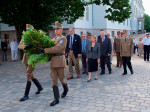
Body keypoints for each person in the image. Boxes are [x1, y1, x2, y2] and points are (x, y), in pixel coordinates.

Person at [39, 22, 68, 106]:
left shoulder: (63, 39)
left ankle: (66, 89)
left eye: (58, 29)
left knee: (62, 79)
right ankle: (56, 99)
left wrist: (45, 50)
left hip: (60, 61)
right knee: (54, 80)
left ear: (61, 30)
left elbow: (57, 49)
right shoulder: (53, 39)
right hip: (53, 62)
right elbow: (49, 47)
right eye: (55, 29)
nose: (56, 30)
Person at [18, 24, 43, 101]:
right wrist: (25, 47)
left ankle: (26, 95)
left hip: (32, 57)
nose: (27, 31)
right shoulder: (24, 37)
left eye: (29, 30)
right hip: (26, 58)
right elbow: (19, 45)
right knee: (30, 74)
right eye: (27, 30)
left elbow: (39, 46)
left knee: (28, 74)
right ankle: (39, 87)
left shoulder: (35, 38)